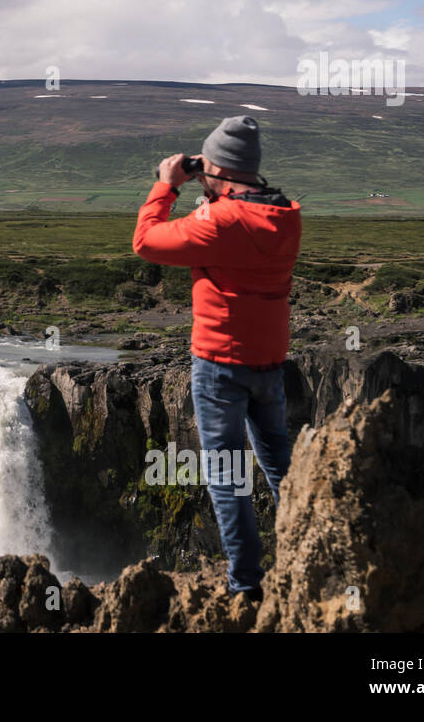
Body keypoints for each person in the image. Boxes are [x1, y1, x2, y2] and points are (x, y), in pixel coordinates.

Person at [131, 115, 302, 599]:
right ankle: (308, 552)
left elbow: (146, 242)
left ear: (220, 169)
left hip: (219, 364)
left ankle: (245, 585)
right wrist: (212, 187)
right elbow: (239, 232)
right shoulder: (286, 214)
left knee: (228, 476)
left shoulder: (220, 221)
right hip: (269, 361)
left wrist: (167, 187)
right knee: (279, 465)